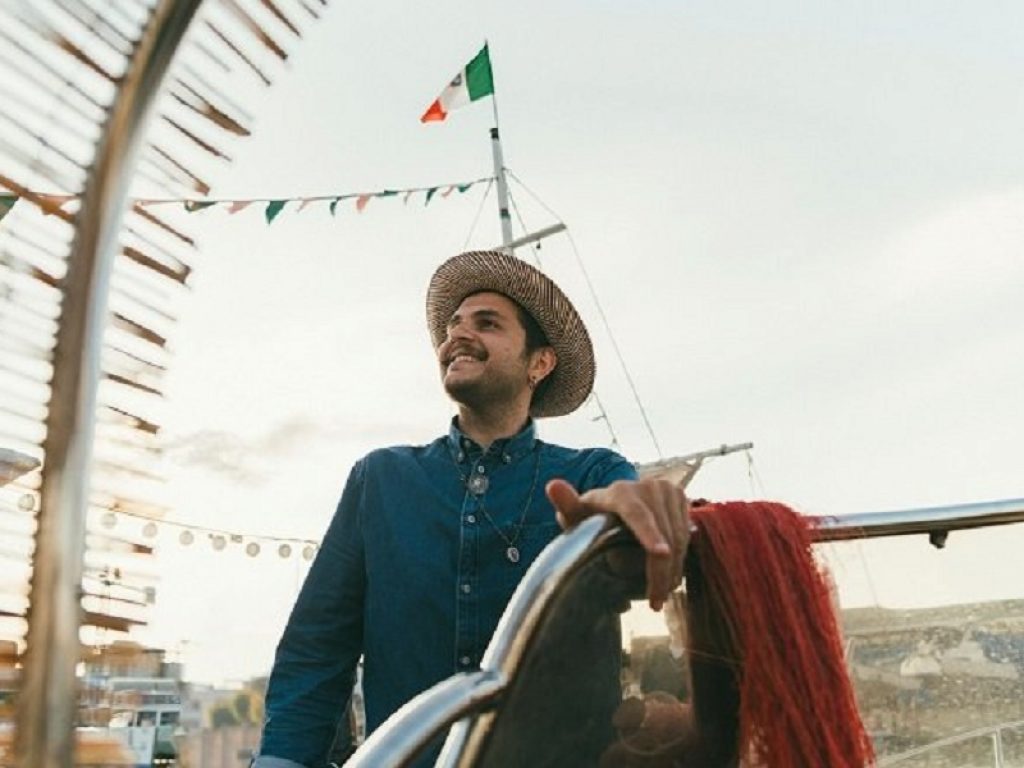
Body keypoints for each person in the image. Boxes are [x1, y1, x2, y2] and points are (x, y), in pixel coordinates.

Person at [254, 250, 690, 767]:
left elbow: (634, 548)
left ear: (539, 363)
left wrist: (624, 515)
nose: (457, 335)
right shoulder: (379, 479)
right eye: (453, 325)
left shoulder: (593, 474)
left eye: (487, 323)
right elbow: (317, 651)